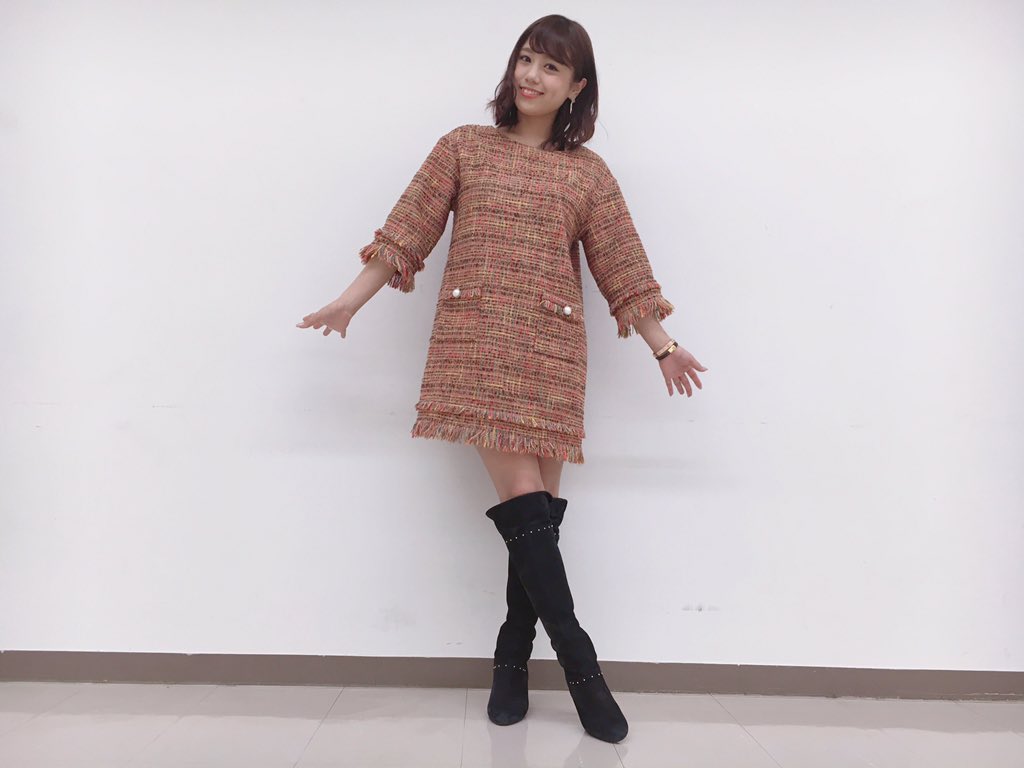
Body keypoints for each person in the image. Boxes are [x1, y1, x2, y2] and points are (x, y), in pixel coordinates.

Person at [296, 14, 708, 744]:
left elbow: (622, 266)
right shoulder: (464, 146)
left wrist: (663, 346)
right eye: (525, 59)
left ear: (576, 87)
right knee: (526, 502)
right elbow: (407, 230)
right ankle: (582, 667)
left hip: (552, 353)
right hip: (477, 343)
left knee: (536, 517)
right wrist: (349, 303)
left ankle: (511, 660)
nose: (531, 76)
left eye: (550, 67)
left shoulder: (587, 174)